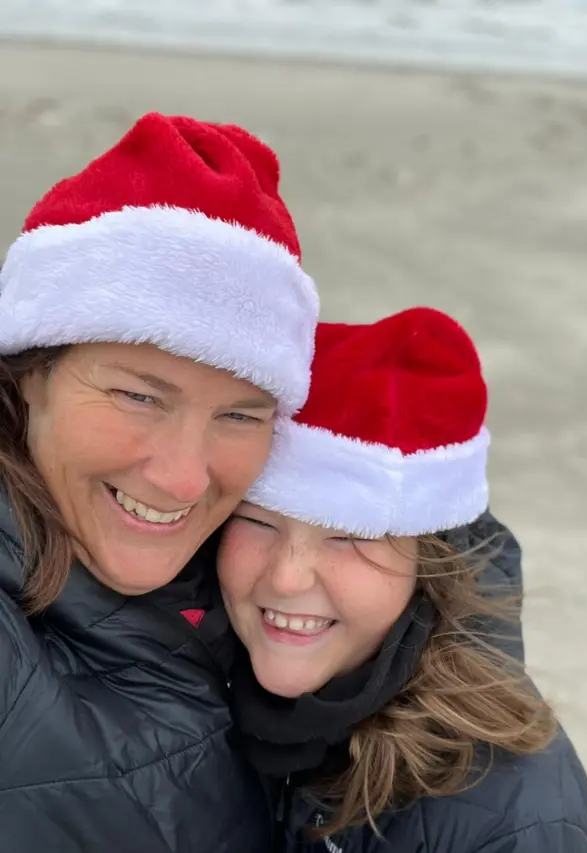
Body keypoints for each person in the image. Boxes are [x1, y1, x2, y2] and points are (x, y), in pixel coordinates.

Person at [0, 112, 319, 852]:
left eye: (241, 415)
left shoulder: (253, 569)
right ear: (27, 379)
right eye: (138, 396)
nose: (182, 477)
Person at [217, 308, 587, 852]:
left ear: (429, 566)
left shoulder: (512, 822)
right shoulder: (180, 674)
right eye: (256, 521)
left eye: (349, 536)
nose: (284, 577)